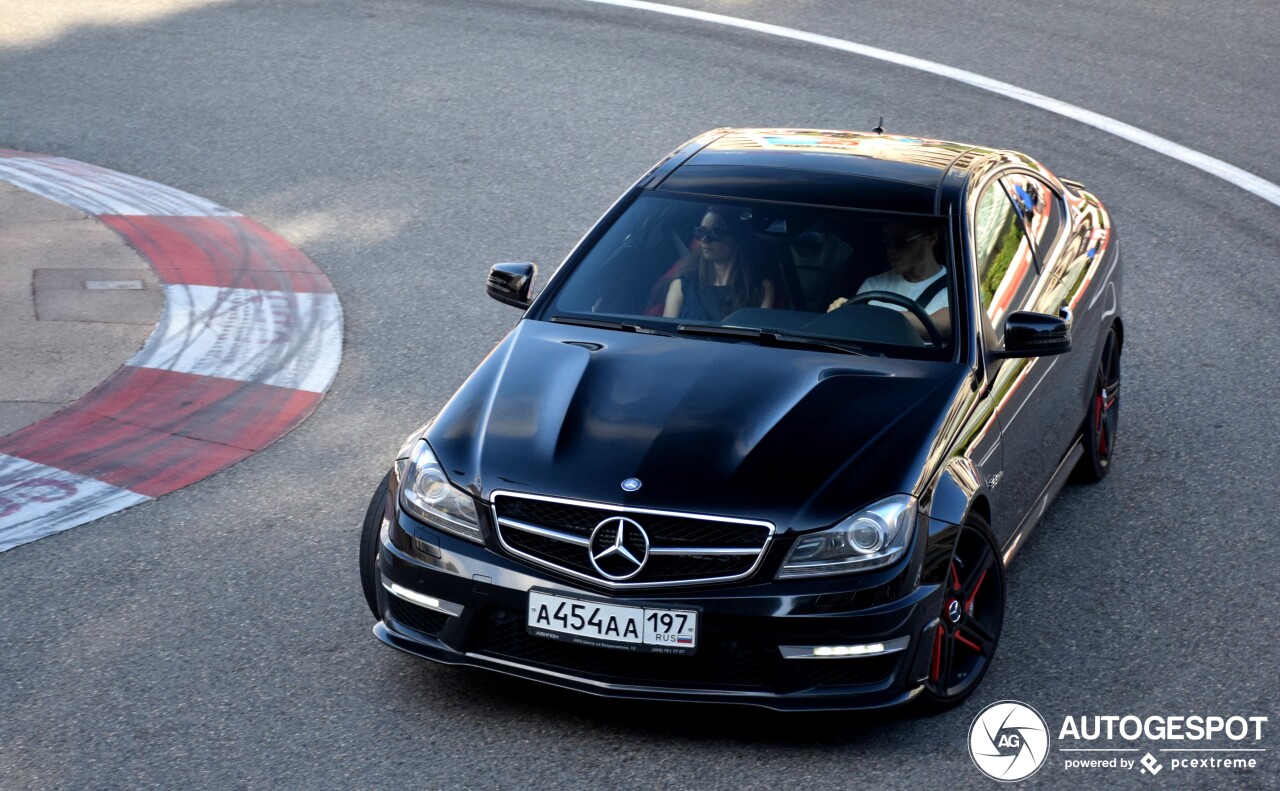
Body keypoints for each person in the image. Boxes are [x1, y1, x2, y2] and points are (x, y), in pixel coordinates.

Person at [827, 223, 951, 340]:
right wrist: (846, 313)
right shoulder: (873, 285)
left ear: (931, 238)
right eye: (886, 241)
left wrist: (863, 314)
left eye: (900, 242)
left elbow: (939, 325)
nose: (890, 250)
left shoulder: (956, 289)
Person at [663, 207, 775, 320]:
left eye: (715, 233)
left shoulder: (762, 289)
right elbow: (665, 334)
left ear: (735, 239)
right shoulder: (682, 286)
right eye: (701, 232)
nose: (704, 239)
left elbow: (759, 336)